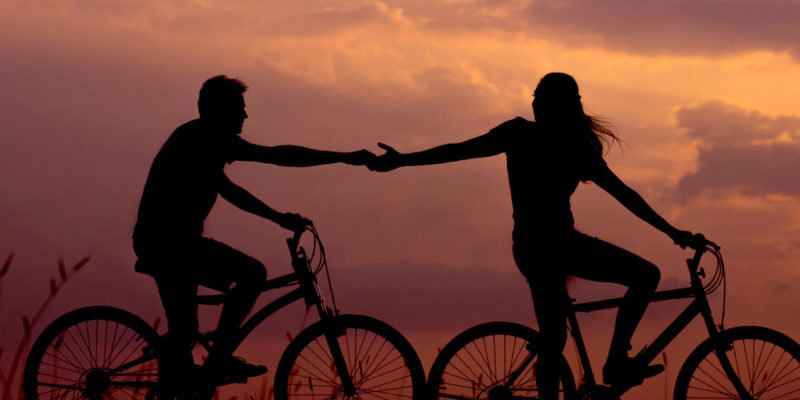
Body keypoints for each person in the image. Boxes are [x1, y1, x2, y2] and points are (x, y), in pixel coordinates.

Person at [367, 72, 703, 399]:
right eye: (535, 97)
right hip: (553, 247)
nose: (535, 103)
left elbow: (625, 195)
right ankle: (615, 362)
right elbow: (459, 150)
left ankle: (613, 362)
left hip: (542, 247)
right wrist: (403, 160)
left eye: (541, 98)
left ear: (559, 105)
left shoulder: (555, 143)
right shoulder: (541, 139)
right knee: (639, 280)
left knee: (557, 337)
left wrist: (674, 232)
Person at [133, 75, 374, 389]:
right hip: (168, 245)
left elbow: (235, 186)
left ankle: (188, 373)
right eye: (239, 108)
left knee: (184, 337)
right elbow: (274, 159)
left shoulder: (202, 140)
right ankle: (218, 357)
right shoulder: (203, 139)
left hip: (174, 244)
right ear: (219, 110)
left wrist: (278, 216)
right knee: (252, 274)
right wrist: (342, 157)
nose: (245, 115)